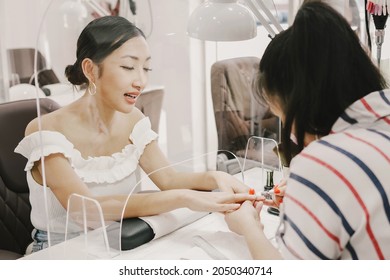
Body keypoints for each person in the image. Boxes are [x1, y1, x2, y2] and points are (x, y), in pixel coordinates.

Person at [14, 16, 256, 252]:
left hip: (120, 239)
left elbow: (169, 179)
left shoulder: (134, 121)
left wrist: (215, 178)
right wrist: (185, 198)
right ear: (90, 69)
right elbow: (85, 210)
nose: (141, 80)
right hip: (60, 250)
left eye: (146, 68)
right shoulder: (45, 130)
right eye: (128, 67)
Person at [224, 1, 390, 260]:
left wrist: (248, 227)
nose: (289, 133)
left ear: (302, 103)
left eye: (281, 116)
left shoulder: (323, 164)